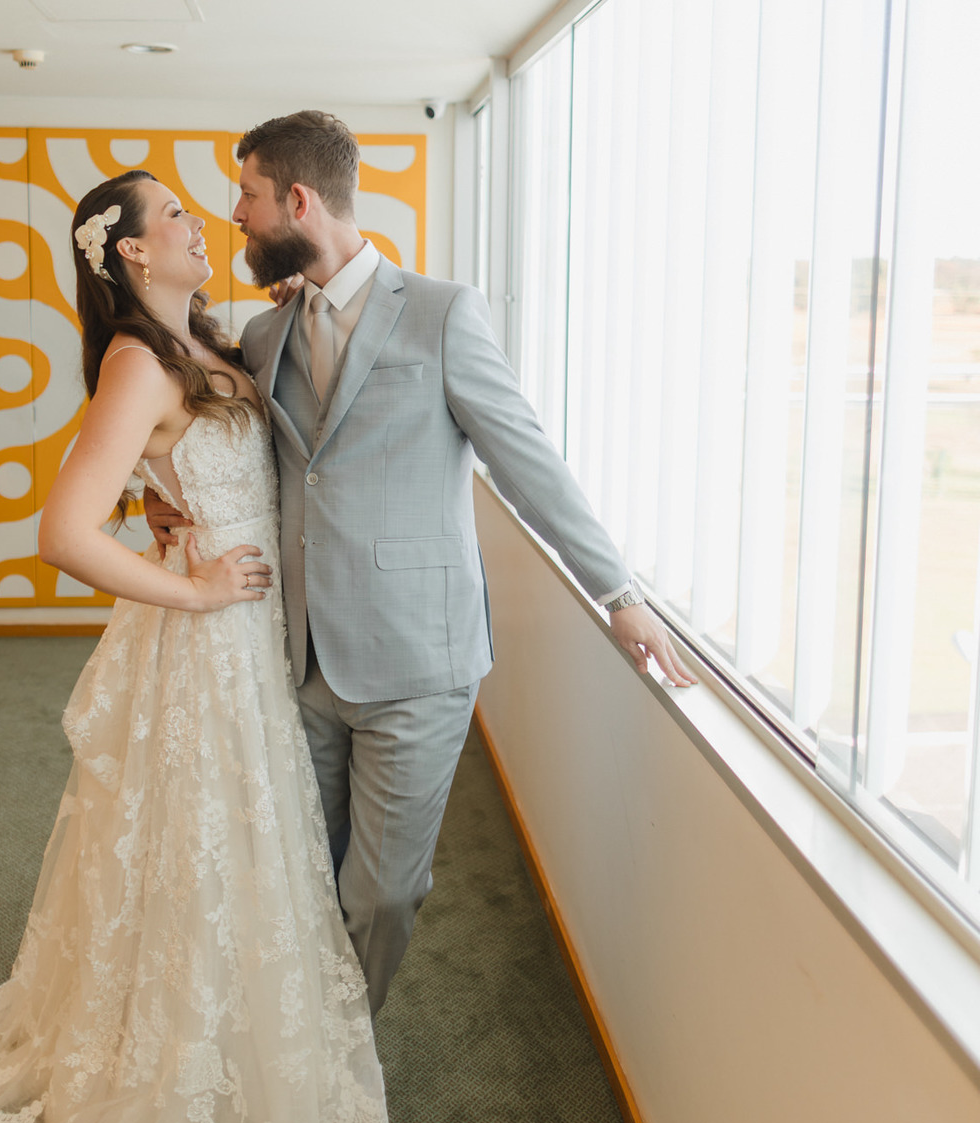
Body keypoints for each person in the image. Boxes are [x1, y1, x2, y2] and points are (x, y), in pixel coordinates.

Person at [145, 111, 694, 1017]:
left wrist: (619, 592)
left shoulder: (444, 314)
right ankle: (301, 1043)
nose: (234, 213)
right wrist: (164, 502)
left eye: (247, 194)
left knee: (386, 890)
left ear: (298, 200)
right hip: (300, 654)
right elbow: (238, 454)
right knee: (304, 868)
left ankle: (343, 1047)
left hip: (418, 659)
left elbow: (526, 459)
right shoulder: (265, 335)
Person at [0, 169, 389, 1123]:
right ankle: (174, 1061)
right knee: (198, 844)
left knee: (240, 844)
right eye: (175, 212)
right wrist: (191, 587)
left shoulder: (206, 343)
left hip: (251, 642)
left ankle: (238, 1033)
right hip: (205, 641)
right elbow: (64, 532)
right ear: (134, 251)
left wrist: (173, 511)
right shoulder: (138, 362)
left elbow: (195, 471)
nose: (200, 222)